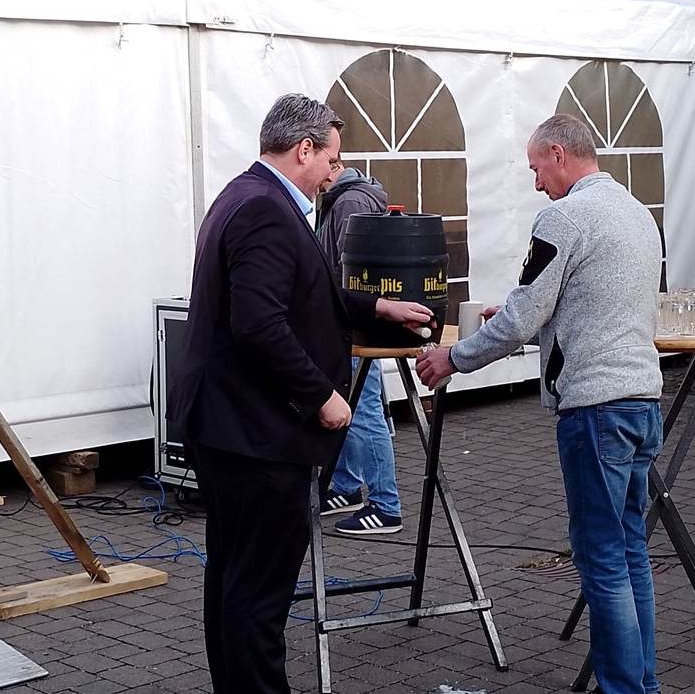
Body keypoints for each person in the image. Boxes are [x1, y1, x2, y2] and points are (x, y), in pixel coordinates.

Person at [166, 94, 432, 694]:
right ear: (304, 149)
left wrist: (374, 306)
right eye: (331, 160)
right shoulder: (264, 208)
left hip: (231, 426)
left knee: (235, 581)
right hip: (256, 434)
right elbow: (260, 321)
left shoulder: (248, 193)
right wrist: (321, 396)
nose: (334, 173)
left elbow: (295, 294)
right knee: (259, 593)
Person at [417, 114, 664, 694]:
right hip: (642, 400)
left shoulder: (564, 216)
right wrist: (515, 319)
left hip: (594, 408)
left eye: (535, 168)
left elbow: (528, 313)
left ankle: (627, 689)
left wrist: (454, 359)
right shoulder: (636, 213)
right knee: (630, 553)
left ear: (558, 153)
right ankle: (641, 683)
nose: (535, 183)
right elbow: (584, 305)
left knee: (602, 561)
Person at [316, 163, 403, 534]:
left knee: (364, 412)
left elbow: (348, 275)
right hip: (357, 324)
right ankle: (348, 487)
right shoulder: (350, 197)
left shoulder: (349, 201)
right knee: (355, 407)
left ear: (333, 165)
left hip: (352, 326)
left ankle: (386, 506)